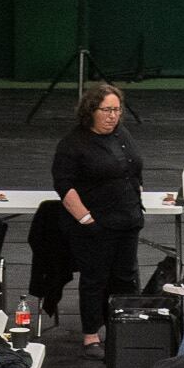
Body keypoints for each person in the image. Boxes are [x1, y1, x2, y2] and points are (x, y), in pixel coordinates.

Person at [51, 81, 147, 346]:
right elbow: (64, 185)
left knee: (126, 278)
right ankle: (91, 335)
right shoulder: (73, 144)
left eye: (116, 110)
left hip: (128, 220)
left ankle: (125, 331)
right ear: (91, 110)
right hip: (96, 226)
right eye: (106, 110)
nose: (112, 116)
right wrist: (86, 219)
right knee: (95, 279)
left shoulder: (122, 134)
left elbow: (133, 167)